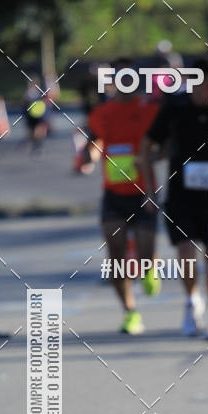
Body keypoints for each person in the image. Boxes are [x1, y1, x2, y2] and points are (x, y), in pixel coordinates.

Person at [141, 56, 208, 339]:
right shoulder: (175, 106)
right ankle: (192, 301)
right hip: (180, 192)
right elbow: (147, 145)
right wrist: (150, 190)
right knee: (185, 253)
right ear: (194, 84)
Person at [85, 57, 161, 334]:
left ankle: (150, 267)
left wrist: (150, 157)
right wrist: (89, 157)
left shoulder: (149, 111)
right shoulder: (102, 113)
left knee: (144, 255)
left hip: (144, 194)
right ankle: (130, 313)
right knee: (116, 257)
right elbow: (95, 141)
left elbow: (165, 146)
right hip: (113, 194)